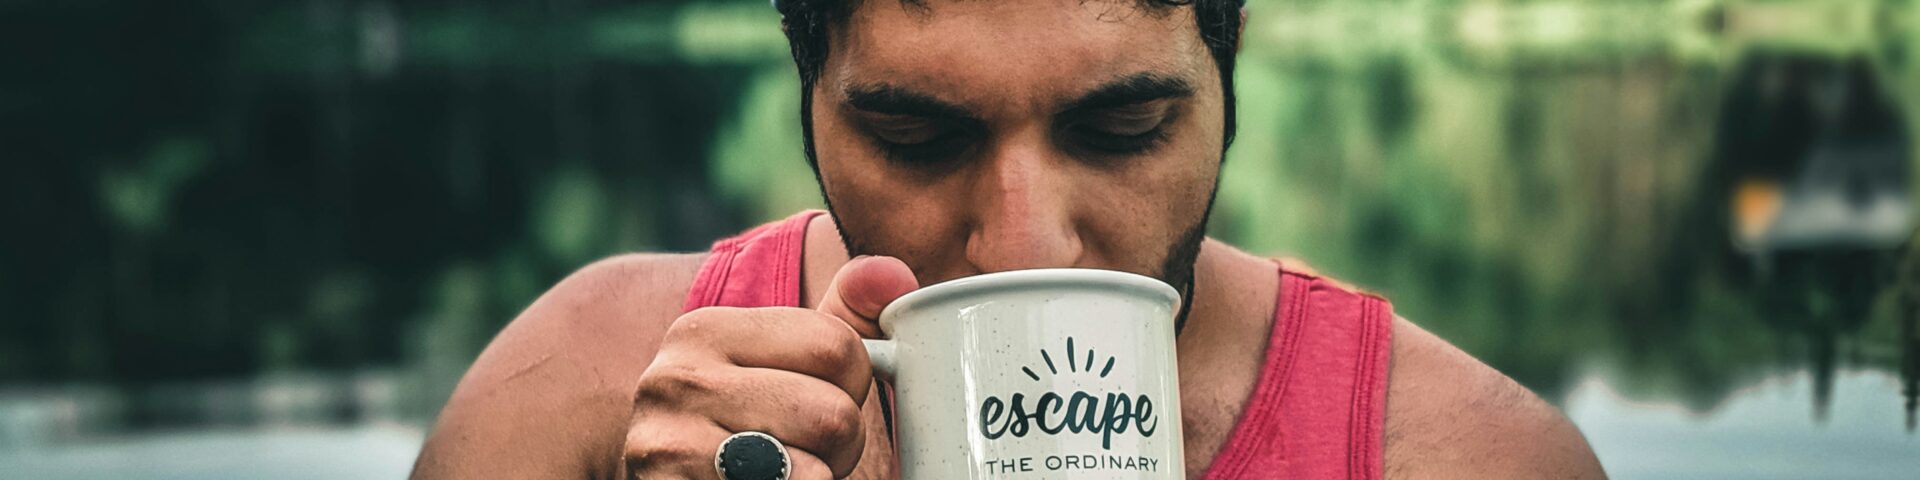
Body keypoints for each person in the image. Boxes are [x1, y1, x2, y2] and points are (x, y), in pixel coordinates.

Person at [411, 0, 1607, 478]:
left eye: (1123, 128)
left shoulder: (1466, 462)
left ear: (1226, 82)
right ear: (808, 99)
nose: (1025, 243)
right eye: (918, 139)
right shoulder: (573, 401)